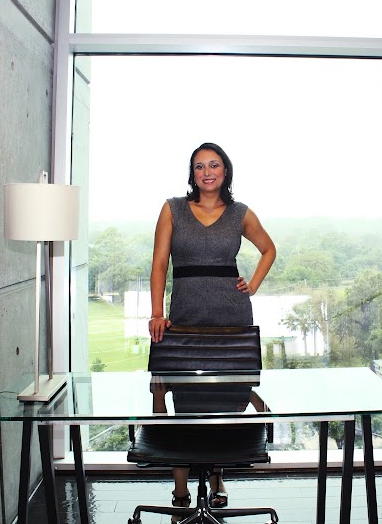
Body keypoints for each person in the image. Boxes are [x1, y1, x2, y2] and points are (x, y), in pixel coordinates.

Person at [148, 142, 276, 515]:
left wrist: (253, 284)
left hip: (231, 317)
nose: (207, 172)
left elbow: (269, 249)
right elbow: (159, 264)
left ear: (225, 171)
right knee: (186, 405)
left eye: (214, 165)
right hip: (185, 317)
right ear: (192, 173)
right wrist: (156, 312)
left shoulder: (240, 213)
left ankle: (218, 477)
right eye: (200, 166)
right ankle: (180, 488)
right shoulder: (172, 208)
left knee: (224, 405)